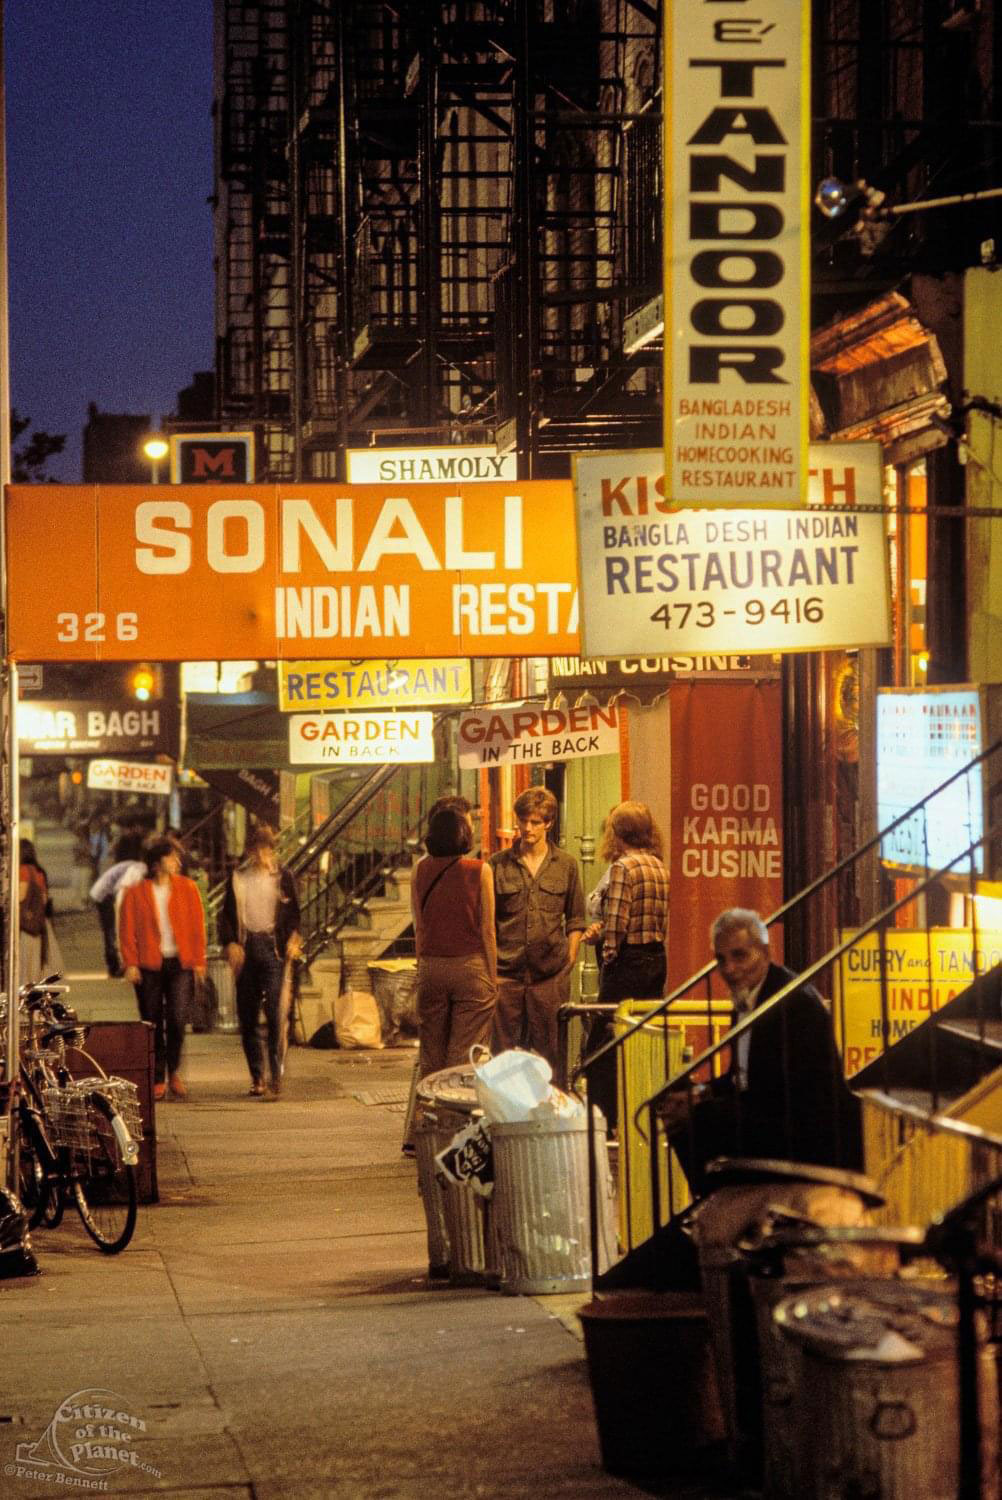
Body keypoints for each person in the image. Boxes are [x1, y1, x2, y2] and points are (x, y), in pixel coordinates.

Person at [664, 908, 862, 1193]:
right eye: (721, 959)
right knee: (676, 1101)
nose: (730, 969)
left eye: (740, 956)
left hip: (803, 1129)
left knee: (703, 1118)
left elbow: (788, 1092)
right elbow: (739, 1077)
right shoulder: (747, 999)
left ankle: (720, 1194)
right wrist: (698, 1093)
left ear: (766, 953)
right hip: (766, 1114)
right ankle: (713, 1194)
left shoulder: (793, 1003)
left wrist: (711, 1106)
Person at [581, 801, 669, 1133]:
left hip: (628, 962)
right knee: (642, 1038)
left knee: (602, 1043)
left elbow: (617, 922)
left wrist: (607, 952)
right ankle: (641, 1113)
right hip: (656, 958)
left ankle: (603, 1119)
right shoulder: (658, 866)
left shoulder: (624, 868)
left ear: (617, 833)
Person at [489, 786, 586, 1071]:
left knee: (551, 1058)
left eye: (535, 822)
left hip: (549, 978)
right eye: (523, 821)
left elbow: (576, 917)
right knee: (502, 1059)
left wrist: (570, 958)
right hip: (506, 977)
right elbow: (487, 921)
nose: (527, 828)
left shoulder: (566, 865)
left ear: (549, 823)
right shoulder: (497, 865)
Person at [412, 804, 497, 1080]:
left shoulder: (419, 870)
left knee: (431, 1053)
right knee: (463, 1053)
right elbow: (488, 930)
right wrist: (493, 977)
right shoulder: (480, 870)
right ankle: (452, 1101)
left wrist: (422, 966)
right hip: (470, 967)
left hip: (431, 967)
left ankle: (429, 1102)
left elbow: (419, 927)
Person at [119, 839, 207, 1102]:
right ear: (156, 863)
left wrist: (199, 961)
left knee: (178, 1019)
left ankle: (174, 1071)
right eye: (171, 857)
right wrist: (131, 963)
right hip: (149, 965)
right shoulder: (136, 893)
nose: (177, 862)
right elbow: (127, 930)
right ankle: (157, 1077)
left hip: (180, 963)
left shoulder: (187, 888)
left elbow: (197, 926)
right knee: (152, 1020)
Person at [218, 825, 302, 1099]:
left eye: (267, 849)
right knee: (248, 1015)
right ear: (250, 851)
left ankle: (276, 1075)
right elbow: (227, 915)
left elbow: (294, 914)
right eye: (257, 849)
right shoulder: (239, 877)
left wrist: (293, 937)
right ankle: (257, 1076)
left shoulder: (283, 876)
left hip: (273, 947)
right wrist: (231, 942)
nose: (262, 855)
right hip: (247, 946)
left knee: (276, 1012)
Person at [19, 839, 52, 987]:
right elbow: (44, 899)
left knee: (23, 966)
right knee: (34, 966)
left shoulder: (23, 871)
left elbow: (20, 897)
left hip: (23, 926)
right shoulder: (39, 872)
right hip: (37, 927)